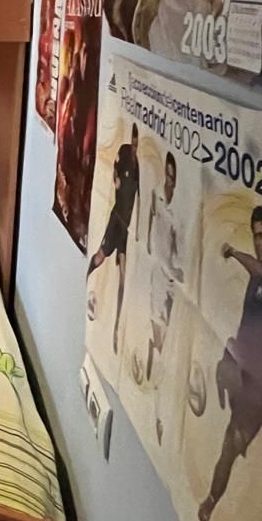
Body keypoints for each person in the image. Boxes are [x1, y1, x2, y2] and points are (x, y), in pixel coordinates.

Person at [198, 206, 262, 521]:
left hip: (255, 389)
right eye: (255, 237)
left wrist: (233, 252)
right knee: (226, 352)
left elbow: (260, 271)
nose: (259, 242)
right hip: (239, 370)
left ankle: (211, 501)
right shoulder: (254, 283)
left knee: (230, 446)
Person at [86, 125, 141, 352]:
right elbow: (115, 171)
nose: (135, 145)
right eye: (134, 141)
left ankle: (117, 328)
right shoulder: (125, 154)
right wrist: (116, 179)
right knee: (100, 256)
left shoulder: (139, 167)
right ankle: (87, 281)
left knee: (123, 276)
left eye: (137, 142)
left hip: (127, 227)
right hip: (117, 219)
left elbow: (140, 196)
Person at [140, 153, 182, 384]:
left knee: (167, 318)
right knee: (157, 313)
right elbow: (150, 213)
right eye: (168, 176)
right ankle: (157, 362)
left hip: (170, 270)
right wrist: (147, 238)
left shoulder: (177, 209)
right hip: (158, 264)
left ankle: (156, 349)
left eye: (173, 178)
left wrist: (177, 269)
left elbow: (176, 240)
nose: (170, 182)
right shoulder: (158, 194)